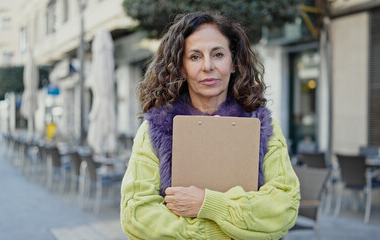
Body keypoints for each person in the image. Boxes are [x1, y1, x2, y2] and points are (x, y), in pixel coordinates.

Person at [121, 12, 300, 239]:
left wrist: (207, 204)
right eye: (195, 57)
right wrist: (226, 231)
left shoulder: (262, 126)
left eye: (218, 54)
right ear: (181, 67)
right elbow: (136, 215)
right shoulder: (156, 128)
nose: (207, 66)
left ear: (234, 62)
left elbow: (284, 207)